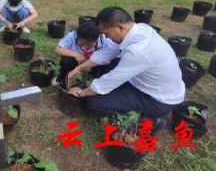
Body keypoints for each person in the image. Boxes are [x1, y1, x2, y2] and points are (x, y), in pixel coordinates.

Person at [68, 7, 185, 136]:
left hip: (156, 101)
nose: (105, 37)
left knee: (95, 102)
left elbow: (108, 81)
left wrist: (80, 92)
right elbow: (108, 52)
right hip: (152, 86)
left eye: (106, 33)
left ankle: (151, 122)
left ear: (120, 27)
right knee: (109, 64)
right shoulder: (140, 29)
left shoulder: (139, 51)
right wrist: (81, 67)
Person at [51, 22, 115, 86]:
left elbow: (112, 56)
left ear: (98, 37)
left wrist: (97, 56)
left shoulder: (106, 41)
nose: (85, 47)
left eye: (88, 45)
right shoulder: (72, 35)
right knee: (66, 61)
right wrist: (76, 55)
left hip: (92, 65)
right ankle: (63, 78)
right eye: (82, 44)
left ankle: (93, 79)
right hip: (75, 63)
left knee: (107, 65)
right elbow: (58, 49)